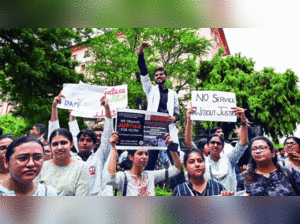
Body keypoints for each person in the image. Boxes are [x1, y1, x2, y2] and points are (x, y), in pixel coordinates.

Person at [48, 92, 114, 196]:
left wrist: (107, 109)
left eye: (88, 140)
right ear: (76, 143)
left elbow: (107, 136)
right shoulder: (70, 158)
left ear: (94, 144)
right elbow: (55, 135)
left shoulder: (99, 158)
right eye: (82, 140)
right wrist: (54, 107)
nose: (84, 143)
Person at [138, 42, 180, 170]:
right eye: (156, 75)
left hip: (169, 131)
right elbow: (143, 71)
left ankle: (177, 188)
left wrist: (174, 118)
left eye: (161, 74)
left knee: (174, 162)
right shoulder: (150, 90)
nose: (158, 76)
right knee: (150, 162)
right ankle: (147, 188)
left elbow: (177, 113)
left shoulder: (173, 94)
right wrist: (141, 52)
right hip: (153, 129)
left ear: (166, 77)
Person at [185, 106, 248, 192]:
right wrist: (189, 119)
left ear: (222, 147)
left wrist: (243, 120)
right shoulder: (202, 160)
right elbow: (188, 142)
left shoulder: (230, 159)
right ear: (207, 145)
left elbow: (243, 142)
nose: (215, 145)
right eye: (212, 142)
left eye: (218, 143)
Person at [107, 132, 183, 196]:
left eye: (146, 154)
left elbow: (177, 169)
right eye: (140, 154)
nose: (144, 157)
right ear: (131, 157)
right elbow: (110, 179)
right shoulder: (124, 177)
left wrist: (171, 148)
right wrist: (114, 148)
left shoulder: (150, 176)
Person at [35, 128, 89, 196]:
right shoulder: (41, 167)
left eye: (63, 143)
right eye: (55, 144)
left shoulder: (82, 167)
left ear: (71, 144)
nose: (59, 147)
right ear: (50, 146)